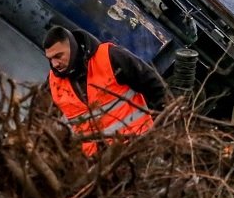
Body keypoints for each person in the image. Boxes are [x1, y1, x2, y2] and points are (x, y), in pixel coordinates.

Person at [43, 26, 170, 155]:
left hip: (137, 147)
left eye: (58, 56)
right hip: (98, 163)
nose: (55, 64)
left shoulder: (111, 57)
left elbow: (156, 88)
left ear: (73, 47)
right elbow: (38, 117)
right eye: (50, 59)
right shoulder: (54, 83)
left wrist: (163, 132)